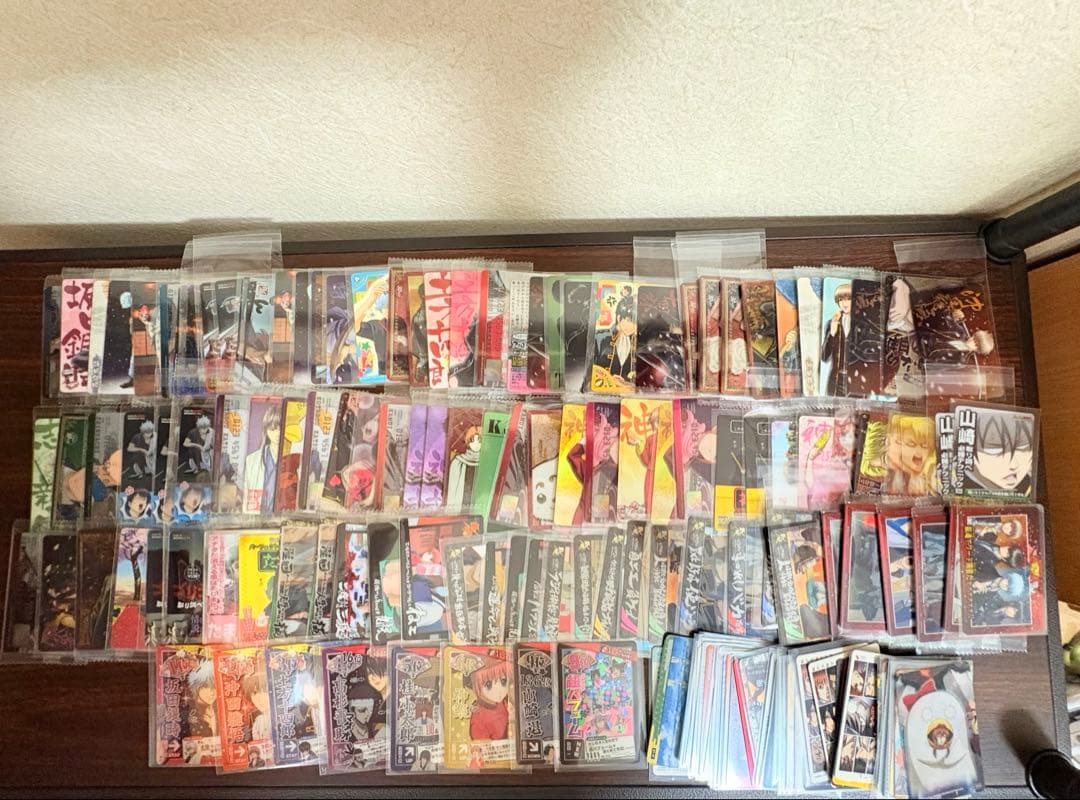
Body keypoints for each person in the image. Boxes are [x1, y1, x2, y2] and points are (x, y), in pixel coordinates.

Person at [243, 404, 281, 513]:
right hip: (259, 516)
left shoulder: (295, 459)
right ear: (266, 430)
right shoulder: (252, 460)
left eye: (280, 428)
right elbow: (246, 496)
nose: (277, 433)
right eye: (272, 429)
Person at [820, 283, 851, 396]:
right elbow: (824, 357)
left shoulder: (863, 324)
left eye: (848, 299)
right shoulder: (831, 323)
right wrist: (832, 334)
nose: (844, 303)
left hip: (856, 382)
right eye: (841, 299)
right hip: (836, 381)